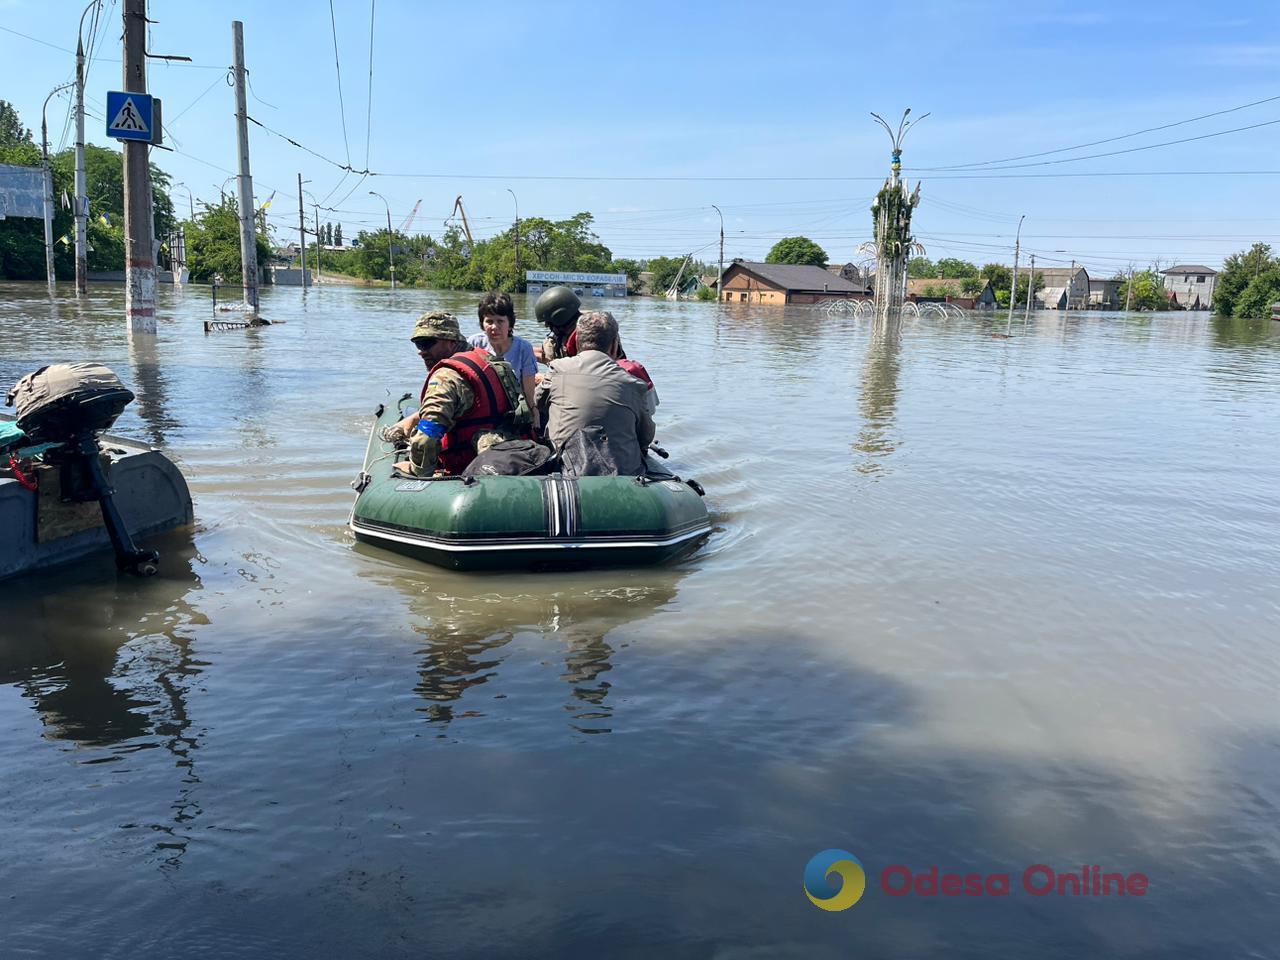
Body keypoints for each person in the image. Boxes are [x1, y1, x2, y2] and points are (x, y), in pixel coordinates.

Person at [385, 311, 529, 477]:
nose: (421, 351)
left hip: (469, 472)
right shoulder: (489, 360)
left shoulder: (446, 378)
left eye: (427, 343)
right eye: (418, 344)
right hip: (507, 459)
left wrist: (416, 471)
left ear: (451, 342)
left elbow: (427, 437)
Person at [536, 310, 655, 477]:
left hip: (565, 471)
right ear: (615, 344)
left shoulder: (557, 369)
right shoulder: (633, 384)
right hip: (621, 477)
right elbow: (646, 436)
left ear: (576, 341)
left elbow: (539, 402)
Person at [468, 291, 539, 430]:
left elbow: (529, 391)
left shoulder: (524, 348)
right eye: (489, 321)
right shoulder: (473, 344)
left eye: (500, 321)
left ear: (510, 324)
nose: (494, 327)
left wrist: (533, 414)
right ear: (482, 324)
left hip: (512, 409)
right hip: (481, 407)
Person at [532, 285, 581, 363]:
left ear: (560, 317)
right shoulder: (568, 332)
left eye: (548, 322)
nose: (546, 325)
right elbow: (550, 354)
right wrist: (522, 349)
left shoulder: (582, 339)